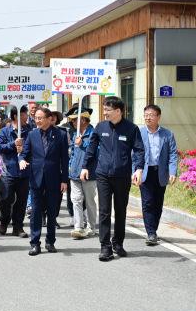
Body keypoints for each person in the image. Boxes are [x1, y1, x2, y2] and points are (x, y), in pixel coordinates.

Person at [82, 96, 145, 261]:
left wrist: (138, 169)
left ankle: (118, 243)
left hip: (123, 176)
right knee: (104, 211)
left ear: (118, 111)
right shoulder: (100, 127)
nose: (105, 113)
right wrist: (84, 167)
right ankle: (105, 247)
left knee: (121, 210)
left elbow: (139, 150)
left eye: (108, 110)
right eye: (104, 109)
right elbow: (91, 149)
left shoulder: (131, 128)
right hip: (103, 175)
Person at [19, 107, 69, 256]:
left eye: (40, 118)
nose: (37, 121)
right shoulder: (32, 134)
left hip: (54, 178)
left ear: (50, 119)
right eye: (36, 118)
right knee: (35, 211)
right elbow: (24, 153)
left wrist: (64, 179)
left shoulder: (60, 134)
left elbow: (64, 160)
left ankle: (50, 241)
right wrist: (21, 160)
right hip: (36, 177)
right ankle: (35, 243)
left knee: (52, 212)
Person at [138, 105, 178, 246]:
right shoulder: (139, 133)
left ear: (158, 117)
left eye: (151, 115)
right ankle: (151, 232)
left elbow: (173, 154)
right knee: (147, 202)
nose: (148, 117)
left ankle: (153, 230)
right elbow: (134, 154)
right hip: (144, 172)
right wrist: (135, 171)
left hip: (160, 172)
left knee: (158, 203)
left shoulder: (168, 134)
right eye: (146, 115)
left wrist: (173, 172)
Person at [0, 105, 31, 238]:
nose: (26, 117)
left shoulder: (28, 132)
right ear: (16, 116)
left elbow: (31, 149)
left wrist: (24, 150)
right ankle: (4, 221)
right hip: (9, 172)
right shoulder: (5, 131)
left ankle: (18, 226)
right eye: (24, 114)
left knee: (22, 201)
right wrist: (13, 144)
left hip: (24, 172)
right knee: (6, 199)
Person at [67, 107, 98, 239]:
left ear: (83, 120)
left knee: (89, 201)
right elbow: (73, 152)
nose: (73, 123)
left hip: (89, 174)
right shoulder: (76, 134)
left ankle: (91, 226)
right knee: (76, 200)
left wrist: (83, 145)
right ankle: (78, 227)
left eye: (74, 120)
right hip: (74, 172)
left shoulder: (94, 133)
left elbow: (97, 152)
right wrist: (70, 165)